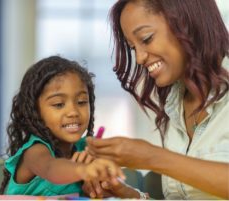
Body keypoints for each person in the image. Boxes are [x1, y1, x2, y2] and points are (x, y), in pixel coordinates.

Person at [86, 0, 229, 199]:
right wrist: (129, 195)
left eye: (146, 39)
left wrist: (153, 157)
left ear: (187, 22)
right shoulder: (175, 105)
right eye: (133, 47)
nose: (139, 58)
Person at [0, 56, 125, 196]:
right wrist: (83, 170)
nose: (73, 112)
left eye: (82, 102)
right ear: (35, 111)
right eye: (59, 104)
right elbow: (51, 169)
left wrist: (101, 184)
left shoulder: (86, 150)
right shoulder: (34, 151)